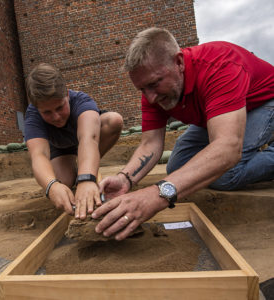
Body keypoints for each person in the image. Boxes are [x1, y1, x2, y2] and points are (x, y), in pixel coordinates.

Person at [92, 27, 274, 240]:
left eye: (154, 84)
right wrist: (125, 179)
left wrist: (157, 194)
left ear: (179, 62)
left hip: (264, 104)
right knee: (178, 167)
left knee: (225, 174)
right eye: (142, 89)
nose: (150, 98)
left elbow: (227, 149)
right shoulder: (152, 91)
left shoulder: (220, 65)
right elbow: (150, 144)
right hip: (216, 116)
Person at [24, 63, 123, 218]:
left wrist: (86, 179)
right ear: (37, 109)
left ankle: (85, 167)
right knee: (64, 182)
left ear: (67, 95)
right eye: (47, 112)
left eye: (59, 107)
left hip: (85, 140)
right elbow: (39, 155)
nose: (56, 117)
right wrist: (52, 186)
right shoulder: (32, 115)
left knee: (114, 120)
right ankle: (79, 169)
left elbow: (88, 138)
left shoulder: (81, 101)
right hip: (60, 148)